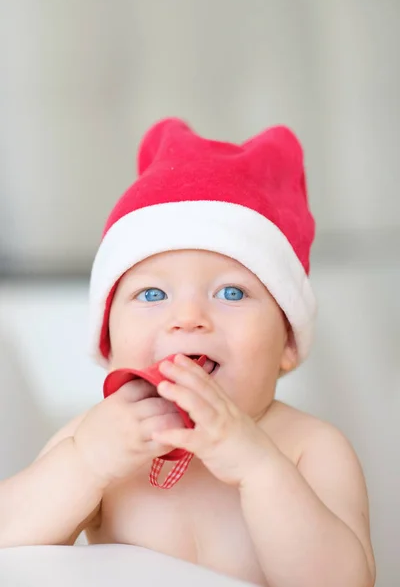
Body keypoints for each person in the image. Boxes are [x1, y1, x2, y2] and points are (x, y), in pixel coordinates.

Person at [0, 119, 375, 587]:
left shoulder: (308, 448)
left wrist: (257, 467)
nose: (188, 317)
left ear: (288, 344)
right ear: (108, 342)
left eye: (232, 293)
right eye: (153, 295)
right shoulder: (97, 437)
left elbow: (344, 582)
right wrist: (86, 463)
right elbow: (8, 545)